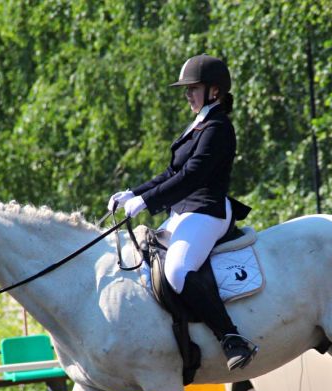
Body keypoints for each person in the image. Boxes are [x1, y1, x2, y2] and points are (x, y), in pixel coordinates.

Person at [108, 54, 257, 370]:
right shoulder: (199, 124)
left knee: (176, 270)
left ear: (214, 91)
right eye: (186, 89)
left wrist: (147, 204)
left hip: (208, 210)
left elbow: (192, 177)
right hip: (185, 210)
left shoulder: (217, 127)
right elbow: (172, 172)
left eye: (194, 88)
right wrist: (134, 193)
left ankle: (231, 338)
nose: (187, 94)